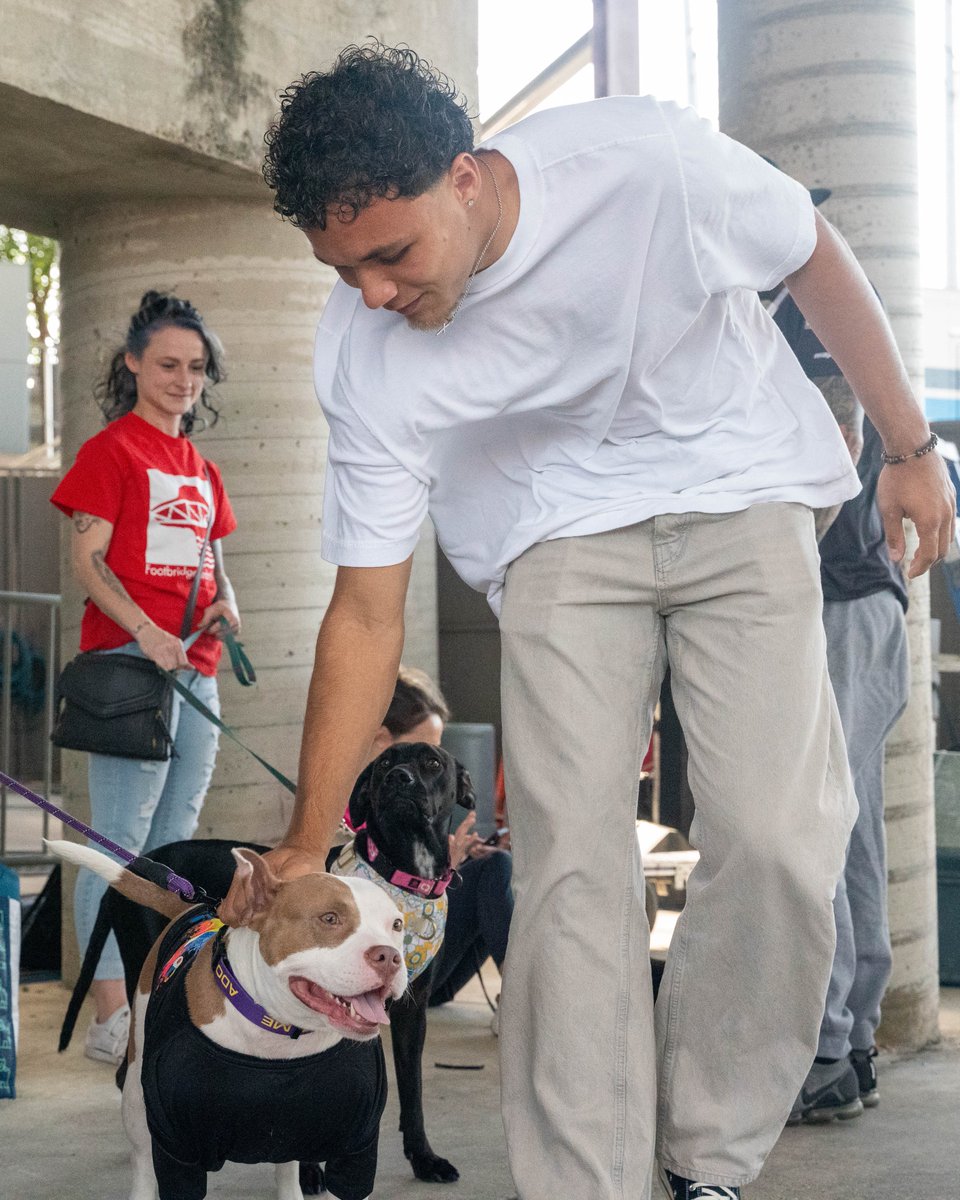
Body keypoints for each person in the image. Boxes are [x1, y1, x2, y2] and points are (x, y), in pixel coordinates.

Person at [225, 43, 956, 1200]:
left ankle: (705, 1160)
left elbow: (812, 253)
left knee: (780, 836)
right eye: (341, 265)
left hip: (740, 487)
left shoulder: (650, 166)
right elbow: (366, 609)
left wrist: (912, 450)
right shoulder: (361, 350)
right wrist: (309, 835)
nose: (371, 291)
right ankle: (587, 1183)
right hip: (554, 535)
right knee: (568, 868)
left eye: (390, 254)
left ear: (466, 178)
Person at [51, 291, 240, 1066]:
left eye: (195, 368)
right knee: (117, 845)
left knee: (173, 852)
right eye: (167, 364)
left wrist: (228, 600)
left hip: (197, 669)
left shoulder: (198, 463)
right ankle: (108, 1018)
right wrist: (147, 632)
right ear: (132, 364)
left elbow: (209, 547)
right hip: (132, 667)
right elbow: (86, 560)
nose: (182, 379)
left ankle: (151, 996)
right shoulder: (112, 451)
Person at [761, 278, 911, 1124]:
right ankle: (848, 1046)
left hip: (842, 600)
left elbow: (833, 460)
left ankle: (826, 1047)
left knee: (817, 818)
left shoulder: (806, 326)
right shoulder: (811, 320)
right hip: (862, 602)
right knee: (848, 824)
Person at [352, 666, 513, 1014]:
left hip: (429, 972)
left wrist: (450, 863)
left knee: (494, 868)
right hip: (389, 971)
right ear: (382, 741)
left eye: (436, 755)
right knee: (495, 871)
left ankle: (523, 993)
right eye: (427, 750)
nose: (433, 765)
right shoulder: (353, 797)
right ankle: (526, 1003)